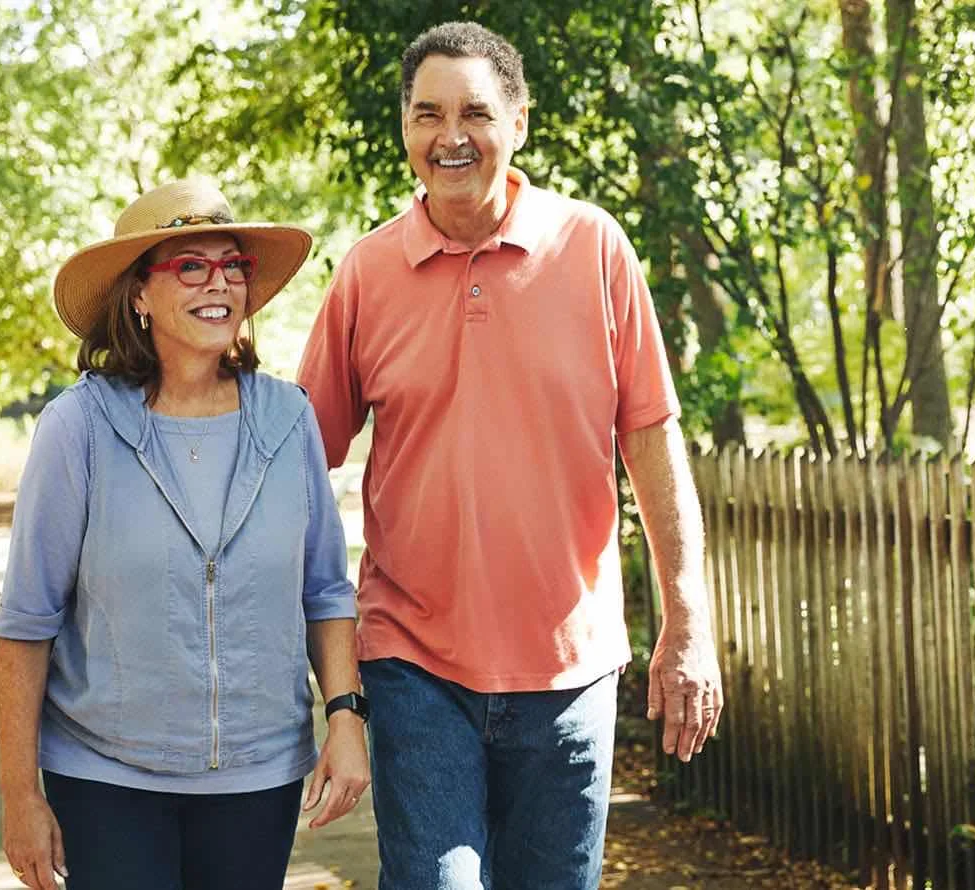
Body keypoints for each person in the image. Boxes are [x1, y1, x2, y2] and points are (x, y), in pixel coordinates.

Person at [296, 21, 724, 889]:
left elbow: (652, 439)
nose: (450, 136)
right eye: (427, 114)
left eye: (475, 113)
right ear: (406, 131)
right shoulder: (368, 274)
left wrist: (688, 622)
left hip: (571, 662)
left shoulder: (594, 247)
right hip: (414, 660)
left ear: (518, 122)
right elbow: (300, 462)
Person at [0, 178, 369, 890]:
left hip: (259, 780)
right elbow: (26, 624)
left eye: (233, 265)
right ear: (139, 294)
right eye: (190, 265)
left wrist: (346, 720)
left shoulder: (289, 420)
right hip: (105, 779)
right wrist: (20, 797)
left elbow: (325, 591)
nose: (217, 282)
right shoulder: (79, 430)